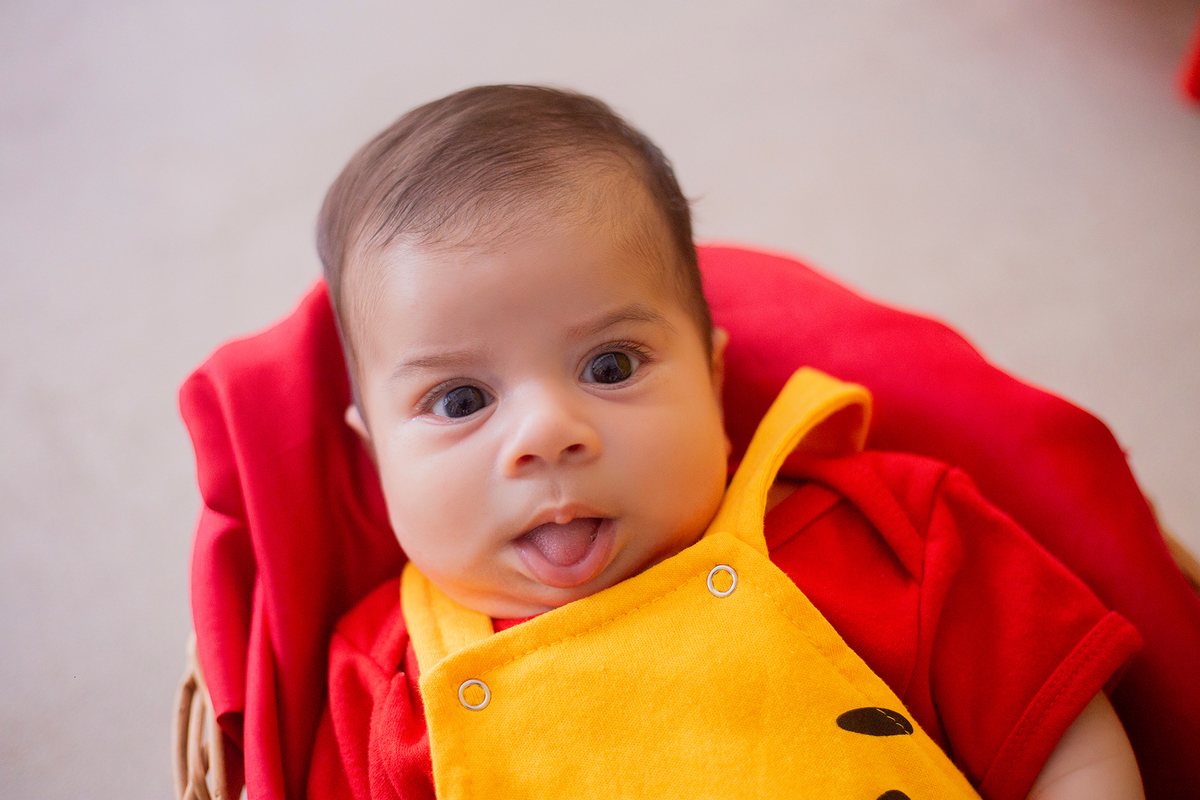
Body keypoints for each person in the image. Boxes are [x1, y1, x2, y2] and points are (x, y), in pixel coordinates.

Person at [305, 85, 1144, 800]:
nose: (548, 435)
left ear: (711, 379)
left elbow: (1066, 746)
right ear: (376, 455)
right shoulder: (380, 685)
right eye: (460, 400)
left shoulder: (881, 532)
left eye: (609, 365)